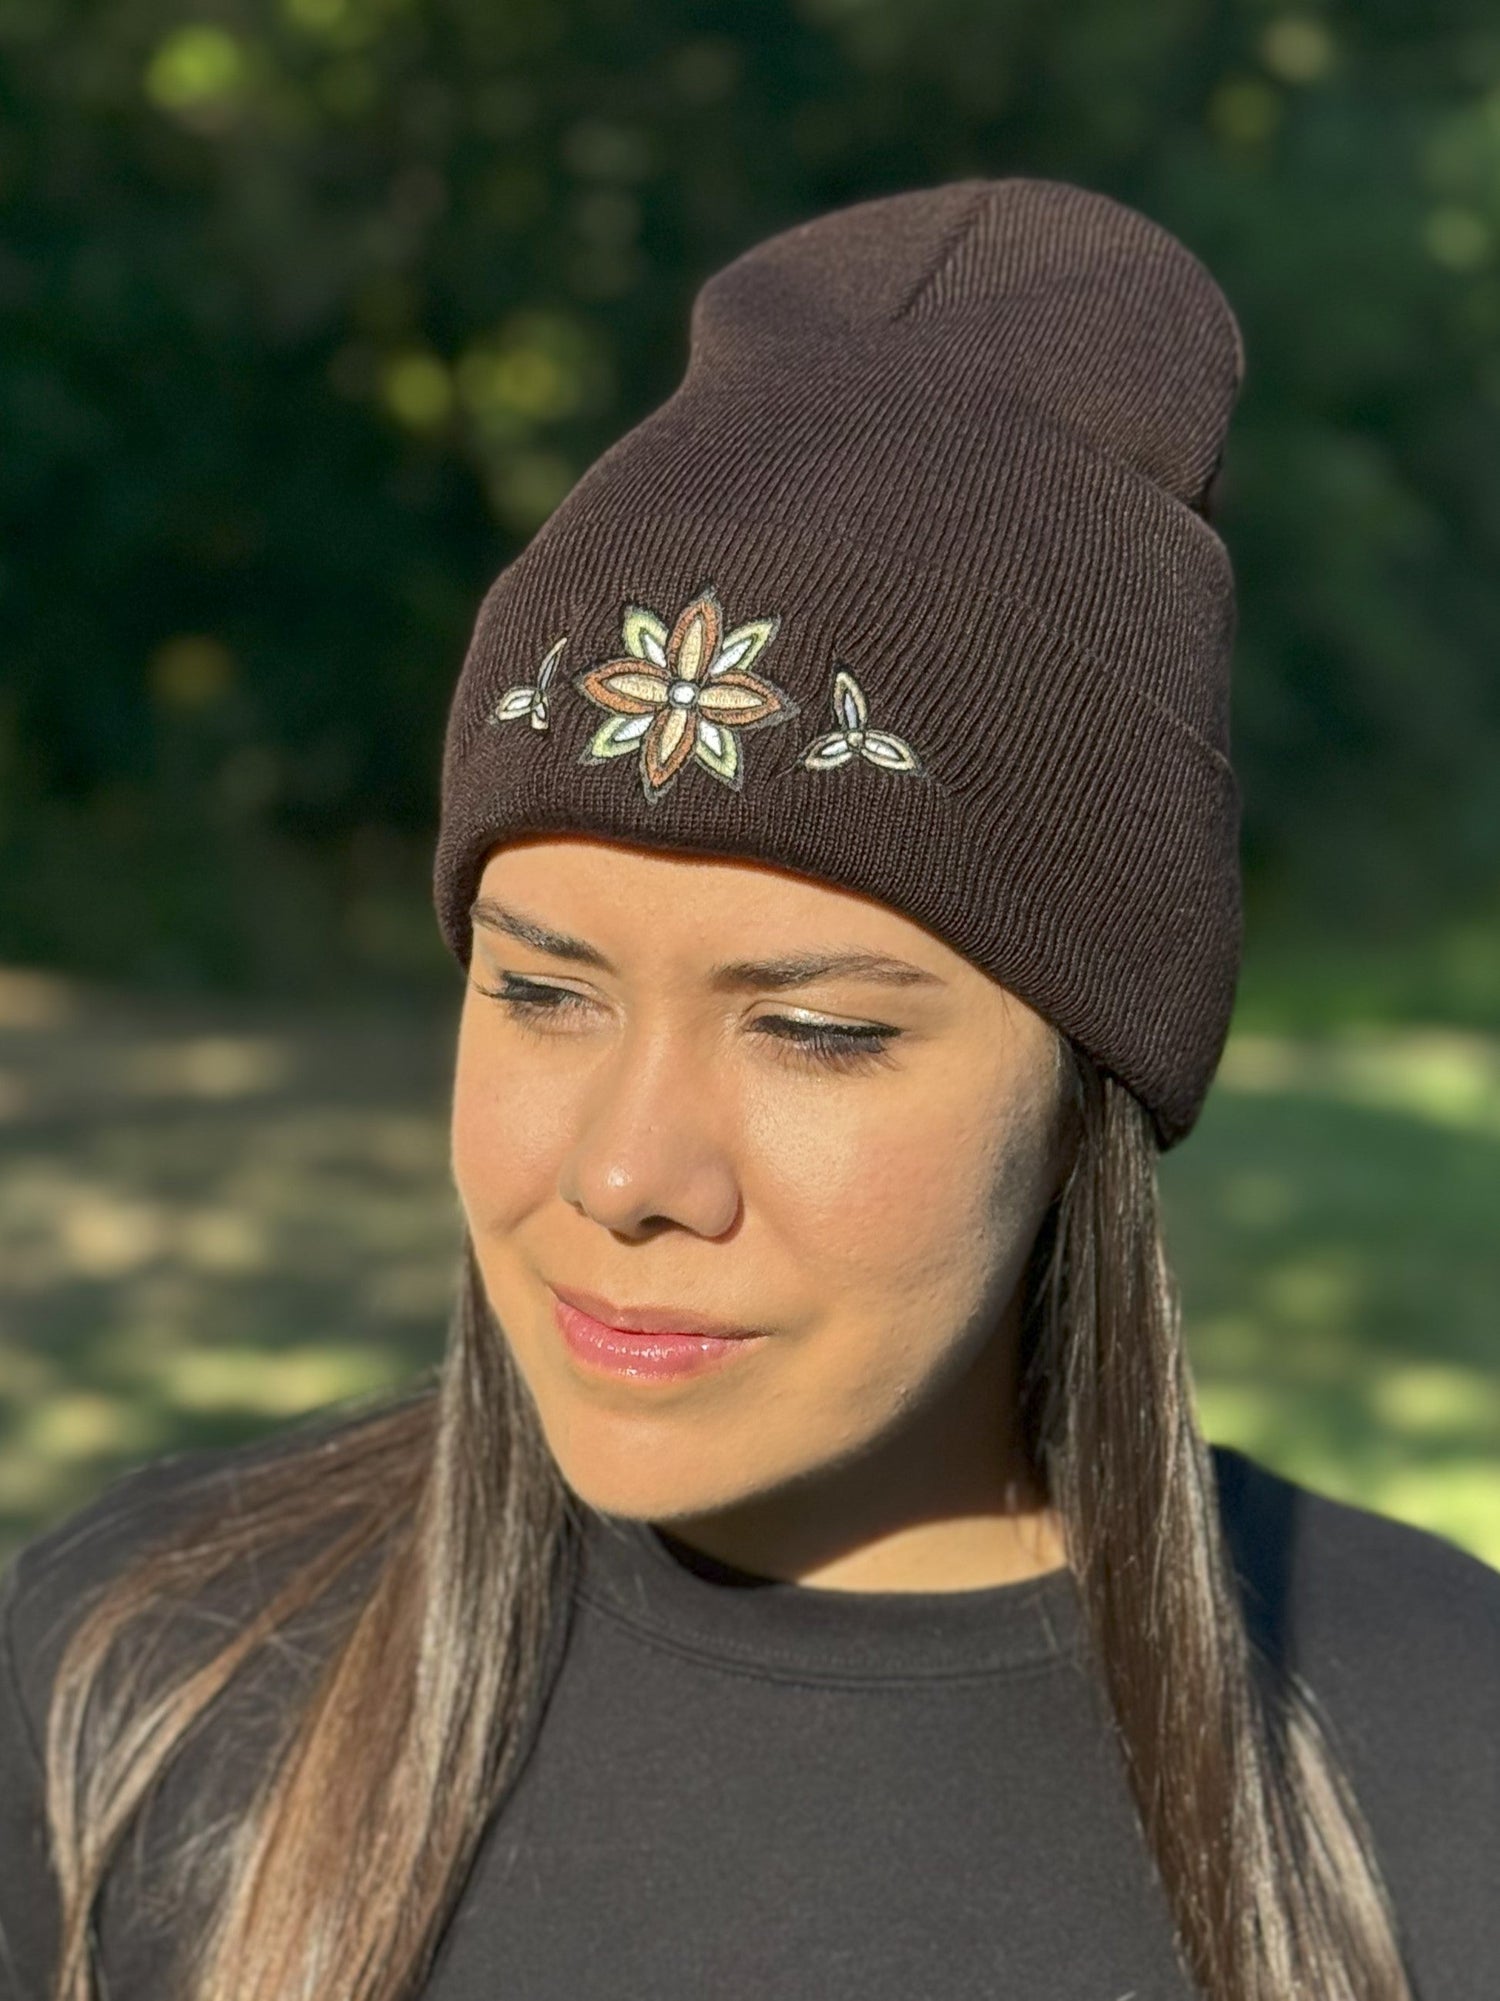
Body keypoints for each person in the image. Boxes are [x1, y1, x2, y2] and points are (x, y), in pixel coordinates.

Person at [0, 177, 1494, 2001]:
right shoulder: (148, 1674)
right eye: (542, 990)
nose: (626, 1170)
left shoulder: (1438, 1777)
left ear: (1092, 1083)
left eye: (815, 1030)